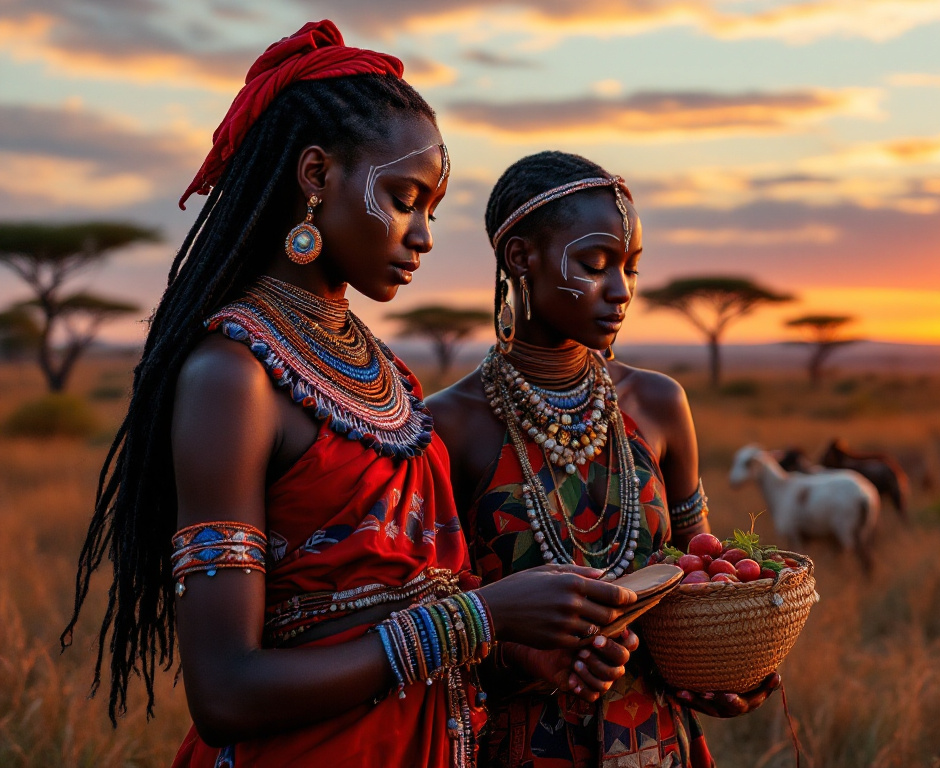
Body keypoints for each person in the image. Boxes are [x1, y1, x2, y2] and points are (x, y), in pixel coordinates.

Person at [63, 23, 637, 768]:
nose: (424, 235)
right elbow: (225, 690)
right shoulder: (233, 377)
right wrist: (480, 616)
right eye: (404, 198)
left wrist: (526, 651)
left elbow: (415, 606)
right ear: (315, 175)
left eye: (431, 206)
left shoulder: (390, 374)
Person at [427, 151, 780, 768]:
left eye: (631, 267)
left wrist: (728, 670)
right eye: (594, 265)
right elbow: (430, 625)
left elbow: (695, 576)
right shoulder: (448, 426)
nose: (621, 290)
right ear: (520, 259)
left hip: (659, 745)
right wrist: (522, 656)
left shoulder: (660, 404)